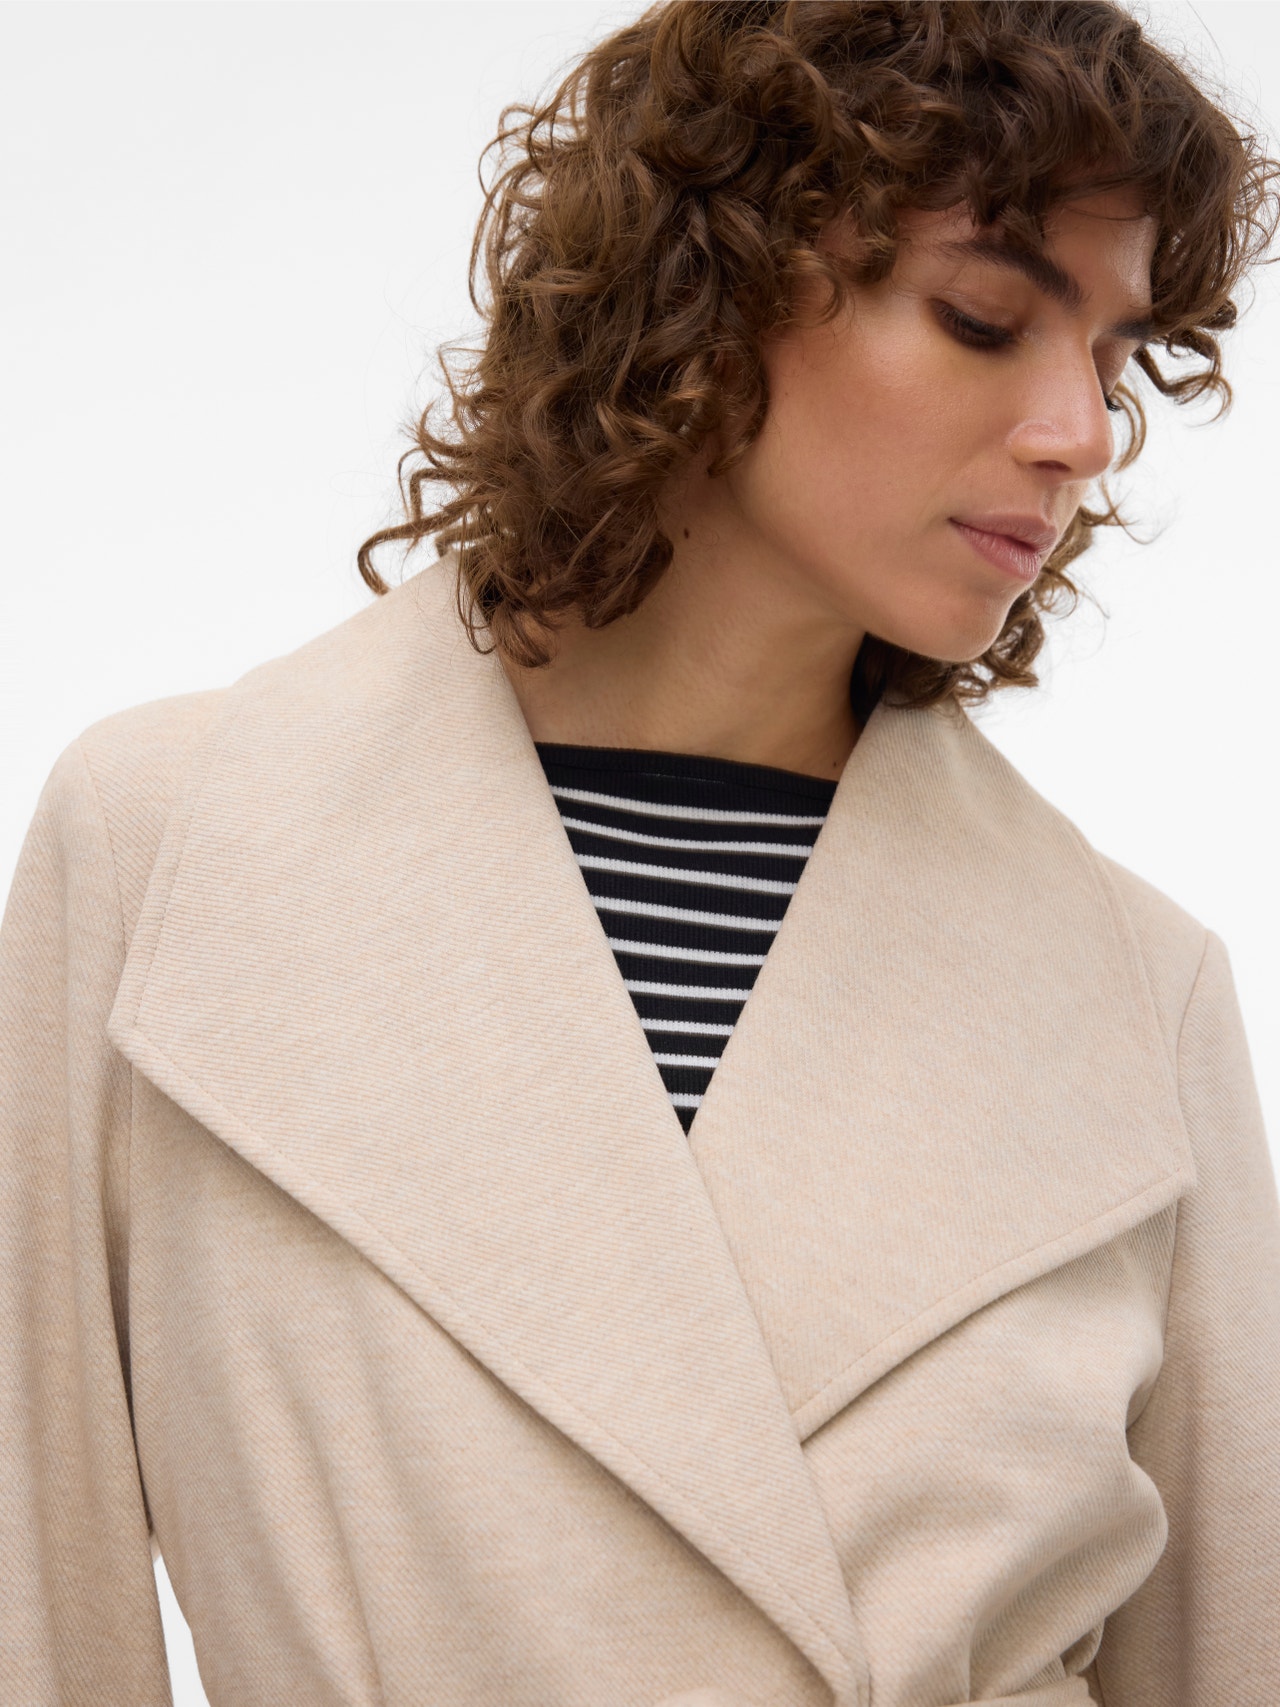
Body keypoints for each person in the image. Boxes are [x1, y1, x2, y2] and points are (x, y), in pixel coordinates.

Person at [2, 2, 1278, 1704]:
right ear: (713, 281)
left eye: (1115, 358)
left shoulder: (1138, 995)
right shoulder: (167, 852)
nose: (1083, 431)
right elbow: (37, 1607)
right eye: (985, 318)